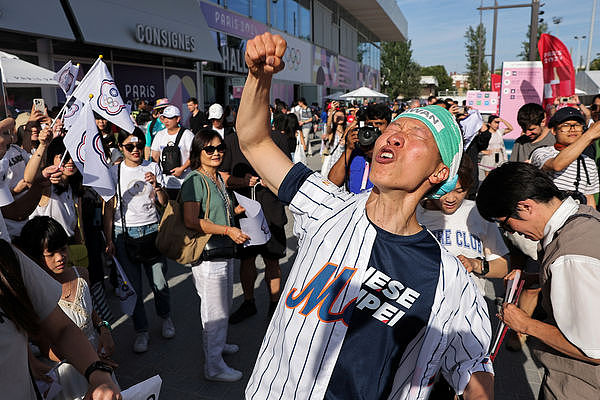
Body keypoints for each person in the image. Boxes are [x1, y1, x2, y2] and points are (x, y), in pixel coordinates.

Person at [238, 32, 493, 400]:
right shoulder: (325, 205)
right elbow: (255, 142)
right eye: (395, 127)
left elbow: (474, 369)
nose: (395, 136)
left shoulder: (449, 279)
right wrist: (259, 77)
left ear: (440, 173)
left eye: (417, 134)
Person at [476, 161, 600, 399]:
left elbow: (593, 348)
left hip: (580, 386)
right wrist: (538, 278)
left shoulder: (569, 256)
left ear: (525, 206)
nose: (511, 233)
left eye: (505, 224)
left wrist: (525, 325)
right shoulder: (584, 219)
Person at [0, 238, 121, 400]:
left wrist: (97, 372)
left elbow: (63, 327)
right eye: (51, 254)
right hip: (66, 374)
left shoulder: (7, 260)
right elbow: (45, 344)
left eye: (63, 249)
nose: (60, 258)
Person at [181, 128, 249, 382]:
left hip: (224, 249)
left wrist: (244, 209)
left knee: (224, 303)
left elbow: (225, 208)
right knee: (214, 311)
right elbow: (191, 220)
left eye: (220, 148)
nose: (217, 152)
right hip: (210, 253)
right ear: (198, 153)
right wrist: (227, 229)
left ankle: (218, 348)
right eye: (209, 149)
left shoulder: (218, 178)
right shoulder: (194, 180)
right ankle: (214, 366)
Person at [104, 128, 174, 353]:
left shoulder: (152, 167)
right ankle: (141, 331)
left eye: (138, 145)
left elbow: (163, 202)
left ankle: (166, 318)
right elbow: (109, 207)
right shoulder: (114, 172)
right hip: (124, 234)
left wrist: (157, 185)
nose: (135, 150)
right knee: (134, 287)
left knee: (160, 282)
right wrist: (109, 239)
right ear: (121, 148)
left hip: (152, 230)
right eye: (129, 147)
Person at [220, 122, 290, 324]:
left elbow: (287, 171)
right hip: (243, 210)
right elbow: (223, 176)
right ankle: (248, 302)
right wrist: (242, 182)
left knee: (272, 258)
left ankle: (275, 305)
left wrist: (273, 180)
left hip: (272, 210)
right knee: (247, 259)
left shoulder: (277, 138)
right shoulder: (232, 140)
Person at [417, 156, 509, 295]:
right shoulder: (414, 214)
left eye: (460, 191)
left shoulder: (477, 212)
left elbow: (502, 267)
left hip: (471, 304)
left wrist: (475, 264)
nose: (451, 198)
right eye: (445, 191)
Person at [530, 107, 599, 207]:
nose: (572, 129)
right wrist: (589, 136)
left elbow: (589, 198)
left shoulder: (589, 162)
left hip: (577, 219)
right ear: (553, 131)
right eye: (566, 125)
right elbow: (557, 165)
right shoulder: (541, 152)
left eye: (577, 125)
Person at [327, 103, 391, 193]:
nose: (374, 128)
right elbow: (332, 182)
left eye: (379, 124)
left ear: (389, 126)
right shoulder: (356, 149)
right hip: (354, 203)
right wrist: (349, 149)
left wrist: (373, 152)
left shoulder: (393, 151)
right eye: (370, 124)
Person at [150, 105, 195, 199]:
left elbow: (194, 156)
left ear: (178, 119)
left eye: (170, 118)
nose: (166, 121)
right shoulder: (160, 135)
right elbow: (155, 157)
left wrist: (182, 168)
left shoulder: (187, 135)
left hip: (184, 182)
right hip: (165, 183)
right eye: (164, 117)